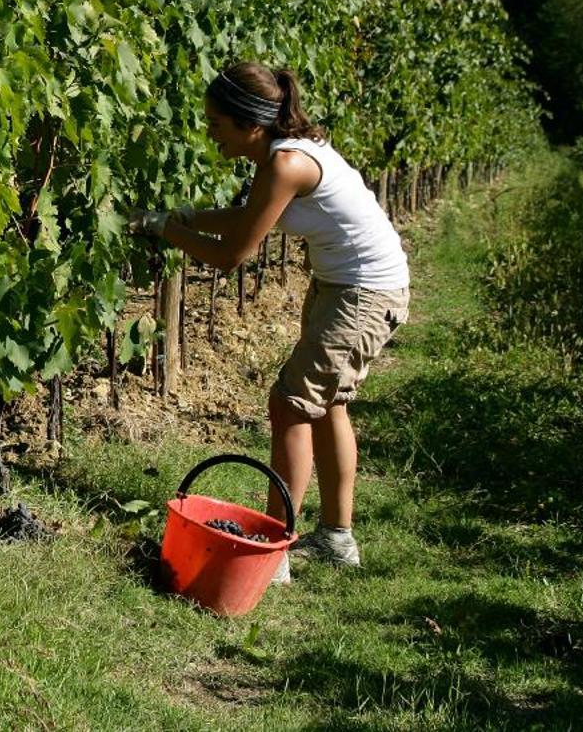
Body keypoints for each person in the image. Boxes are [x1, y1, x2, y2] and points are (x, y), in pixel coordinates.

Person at [131, 62, 409, 578]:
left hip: (364, 292)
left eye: (217, 123)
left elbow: (233, 254)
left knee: (289, 404)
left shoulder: (287, 164)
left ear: (251, 125)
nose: (209, 133)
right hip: (345, 285)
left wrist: (168, 230)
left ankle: (273, 551)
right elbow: (248, 216)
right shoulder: (283, 155)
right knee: (326, 406)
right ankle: (336, 540)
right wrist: (184, 217)